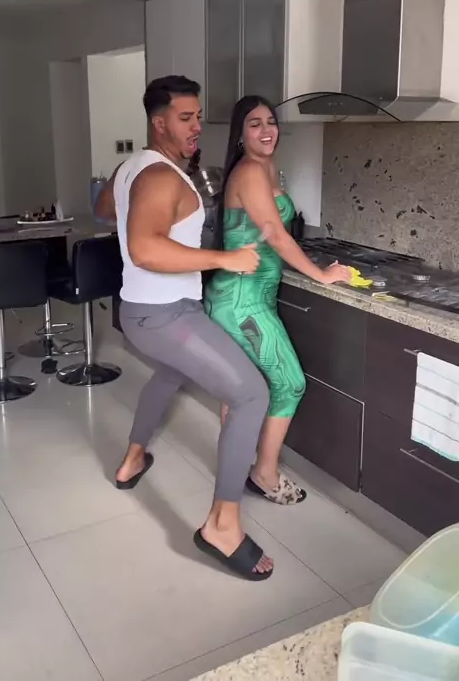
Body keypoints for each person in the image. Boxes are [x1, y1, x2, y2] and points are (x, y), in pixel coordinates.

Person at [94, 75, 275, 582]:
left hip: (141, 311)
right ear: (159, 122)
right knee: (251, 395)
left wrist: (146, 213)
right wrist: (225, 259)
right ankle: (223, 526)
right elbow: (145, 248)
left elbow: (104, 208)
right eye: (185, 118)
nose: (197, 126)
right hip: (167, 314)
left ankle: (132, 459)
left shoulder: (133, 168)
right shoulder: (162, 176)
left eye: (198, 116)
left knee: (171, 374)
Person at [203, 95, 352, 506]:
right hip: (242, 301)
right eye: (255, 124)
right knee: (289, 383)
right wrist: (320, 273)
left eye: (271, 121)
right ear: (240, 134)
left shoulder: (262, 167)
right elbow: (275, 235)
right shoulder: (251, 171)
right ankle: (264, 474)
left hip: (247, 295)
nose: (267, 130)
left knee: (240, 391)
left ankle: (234, 471)